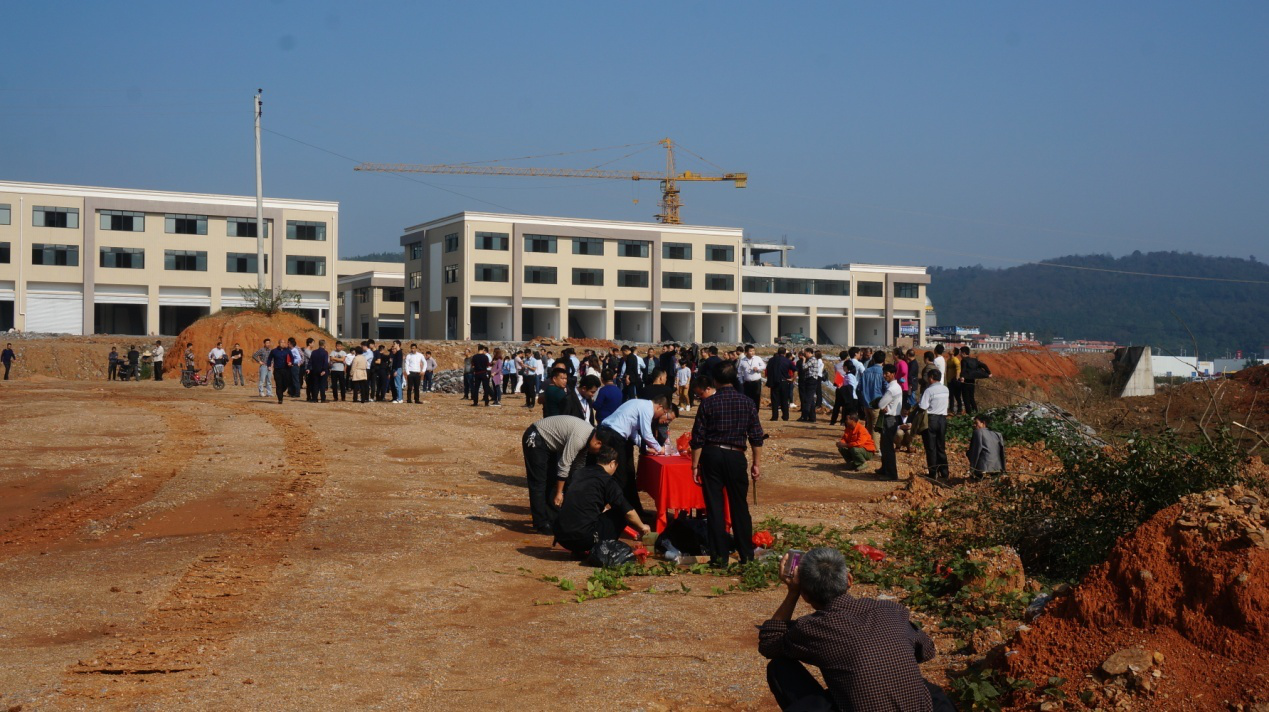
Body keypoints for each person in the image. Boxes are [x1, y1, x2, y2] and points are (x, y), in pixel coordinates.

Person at [758, 547, 952, 712]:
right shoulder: (891, 610)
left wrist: (792, 592)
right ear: (849, 580)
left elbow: (769, 642)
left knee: (780, 667)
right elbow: (927, 651)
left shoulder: (811, 628)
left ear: (806, 596)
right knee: (926, 689)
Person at [691, 362, 765, 568]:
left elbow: (698, 438)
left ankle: (719, 557)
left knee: (715, 508)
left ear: (714, 381)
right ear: (733, 379)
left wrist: (694, 466)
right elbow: (756, 437)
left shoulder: (708, 403)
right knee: (739, 506)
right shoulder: (747, 402)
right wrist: (756, 464)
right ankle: (746, 555)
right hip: (736, 455)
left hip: (712, 454)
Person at [552, 446, 651, 556]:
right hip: (582, 539)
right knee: (620, 513)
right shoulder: (607, 480)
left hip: (561, 536)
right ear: (612, 463)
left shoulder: (580, 473)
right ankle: (602, 550)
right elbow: (627, 511)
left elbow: (585, 501)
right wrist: (642, 526)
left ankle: (579, 551)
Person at [521, 415, 604, 534]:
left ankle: (552, 518)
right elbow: (564, 464)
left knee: (551, 481)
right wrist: (560, 493)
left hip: (548, 444)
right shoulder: (580, 438)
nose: (596, 454)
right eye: (598, 452)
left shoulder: (589, 438)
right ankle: (540, 523)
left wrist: (577, 488)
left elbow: (578, 466)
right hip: (536, 437)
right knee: (538, 482)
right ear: (598, 443)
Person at [598, 395, 675, 518]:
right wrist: (659, 448)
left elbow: (633, 431)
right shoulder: (647, 408)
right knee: (620, 477)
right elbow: (646, 434)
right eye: (663, 412)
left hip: (617, 436)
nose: (660, 416)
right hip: (613, 437)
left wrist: (645, 447)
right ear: (659, 407)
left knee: (629, 475)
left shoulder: (639, 404)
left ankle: (635, 511)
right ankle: (622, 513)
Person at [919, 369, 950, 479]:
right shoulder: (945, 389)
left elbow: (923, 406)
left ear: (931, 377)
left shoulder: (929, 391)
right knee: (941, 447)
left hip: (931, 420)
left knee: (931, 447)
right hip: (942, 419)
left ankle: (933, 473)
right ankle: (945, 472)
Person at [877, 364, 903, 481]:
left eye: (887, 373)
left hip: (889, 418)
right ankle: (885, 468)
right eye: (884, 373)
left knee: (887, 447)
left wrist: (883, 406)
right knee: (884, 445)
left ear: (893, 374)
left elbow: (881, 404)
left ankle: (891, 474)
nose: (885, 375)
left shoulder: (892, 389)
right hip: (893, 417)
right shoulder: (896, 387)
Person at [967, 413, 1006, 478]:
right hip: (997, 468)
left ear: (983, 423)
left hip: (984, 468)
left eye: (976, 423)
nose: (974, 425)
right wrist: (1003, 469)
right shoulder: (998, 434)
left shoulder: (978, 432)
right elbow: (1002, 453)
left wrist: (972, 468)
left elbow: (976, 451)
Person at [858, 351, 887, 435]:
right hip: (877, 404)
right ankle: (875, 448)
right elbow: (886, 388)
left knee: (868, 426)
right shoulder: (883, 373)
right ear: (884, 360)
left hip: (866, 403)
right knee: (875, 428)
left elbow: (859, 388)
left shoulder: (866, 371)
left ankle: (867, 445)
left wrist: (863, 399)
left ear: (873, 359)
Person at [959, 346, 990, 414]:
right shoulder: (974, 360)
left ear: (963, 353)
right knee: (971, 398)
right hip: (972, 381)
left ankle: (969, 414)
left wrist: (962, 377)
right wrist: (989, 373)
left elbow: (963, 370)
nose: (960, 354)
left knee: (966, 399)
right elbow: (983, 365)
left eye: (960, 353)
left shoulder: (963, 360)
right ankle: (975, 412)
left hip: (966, 382)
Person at [766, 347, 794, 422]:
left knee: (774, 400)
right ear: (785, 353)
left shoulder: (771, 360)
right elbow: (795, 369)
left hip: (774, 382)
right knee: (784, 400)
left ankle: (774, 417)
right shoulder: (787, 361)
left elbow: (768, 370)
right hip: (784, 382)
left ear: (778, 352)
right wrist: (793, 378)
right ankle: (785, 416)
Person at [797, 348, 822, 423]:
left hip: (811, 380)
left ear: (808, 352)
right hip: (811, 380)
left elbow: (804, 367)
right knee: (810, 400)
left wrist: (804, 361)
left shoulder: (812, 359)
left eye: (805, 353)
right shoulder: (813, 359)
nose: (804, 355)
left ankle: (804, 416)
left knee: (807, 399)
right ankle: (812, 417)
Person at [737, 344, 766, 409]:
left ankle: (756, 412)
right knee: (747, 397)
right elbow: (739, 372)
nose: (752, 352)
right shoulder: (742, 361)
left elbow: (764, 366)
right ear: (746, 352)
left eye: (753, 351)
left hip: (756, 382)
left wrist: (758, 368)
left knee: (756, 397)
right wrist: (741, 381)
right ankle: (748, 411)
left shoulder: (757, 358)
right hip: (747, 382)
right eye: (750, 351)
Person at [267, 339, 292, 405]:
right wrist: (269, 366)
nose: (283, 344)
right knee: (279, 384)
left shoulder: (287, 351)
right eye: (281, 342)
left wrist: (290, 362)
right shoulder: (274, 351)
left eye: (284, 342)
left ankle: (281, 391)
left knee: (286, 383)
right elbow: (269, 359)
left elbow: (292, 358)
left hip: (286, 369)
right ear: (279, 343)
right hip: (277, 370)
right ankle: (280, 399)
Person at [945, 346, 963, 415]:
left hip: (954, 380)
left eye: (952, 349)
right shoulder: (949, 360)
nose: (950, 350)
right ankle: (951, 409)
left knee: (957, 396)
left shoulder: (955, 360)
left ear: (954, 352)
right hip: (949, 380)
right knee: (951, 395)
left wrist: (957, 378)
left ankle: (959, 409)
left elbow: (958, 369)